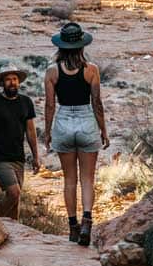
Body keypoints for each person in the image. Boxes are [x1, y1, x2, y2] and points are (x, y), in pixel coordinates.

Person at [42, 22, 109, 246]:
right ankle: (87, 221)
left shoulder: (52, 71)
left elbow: (49, 106)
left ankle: (73, 227)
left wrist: (49, 132)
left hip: (63, 122)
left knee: (69, 179)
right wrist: (103, 130)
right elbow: (97, 103)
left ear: (61, 46)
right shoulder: (92, 70)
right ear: (81, 46)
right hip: (86, 120)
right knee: (87, 178)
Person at [0, 65, 39, 220]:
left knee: (15, 201)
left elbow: (31, 131)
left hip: (18, 157)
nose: (12, 82)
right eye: (8, 79)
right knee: (14, 192)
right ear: (2, 83)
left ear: (19, 82)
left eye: (15, 79)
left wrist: (36, 157)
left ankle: (13, 234)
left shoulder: (26, 102)